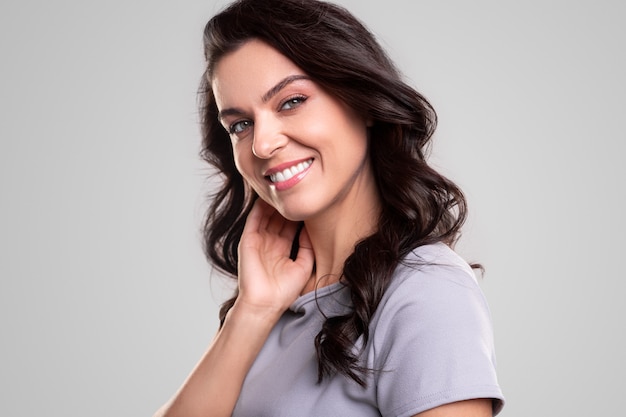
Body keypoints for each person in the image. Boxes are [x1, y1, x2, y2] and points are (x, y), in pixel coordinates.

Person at [155, 0, 505, 416]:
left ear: (362, 100)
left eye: (291, 102)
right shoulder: (270, 302)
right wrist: (252, 312)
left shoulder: (425, 293)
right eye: (240, 125)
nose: (262, 144)